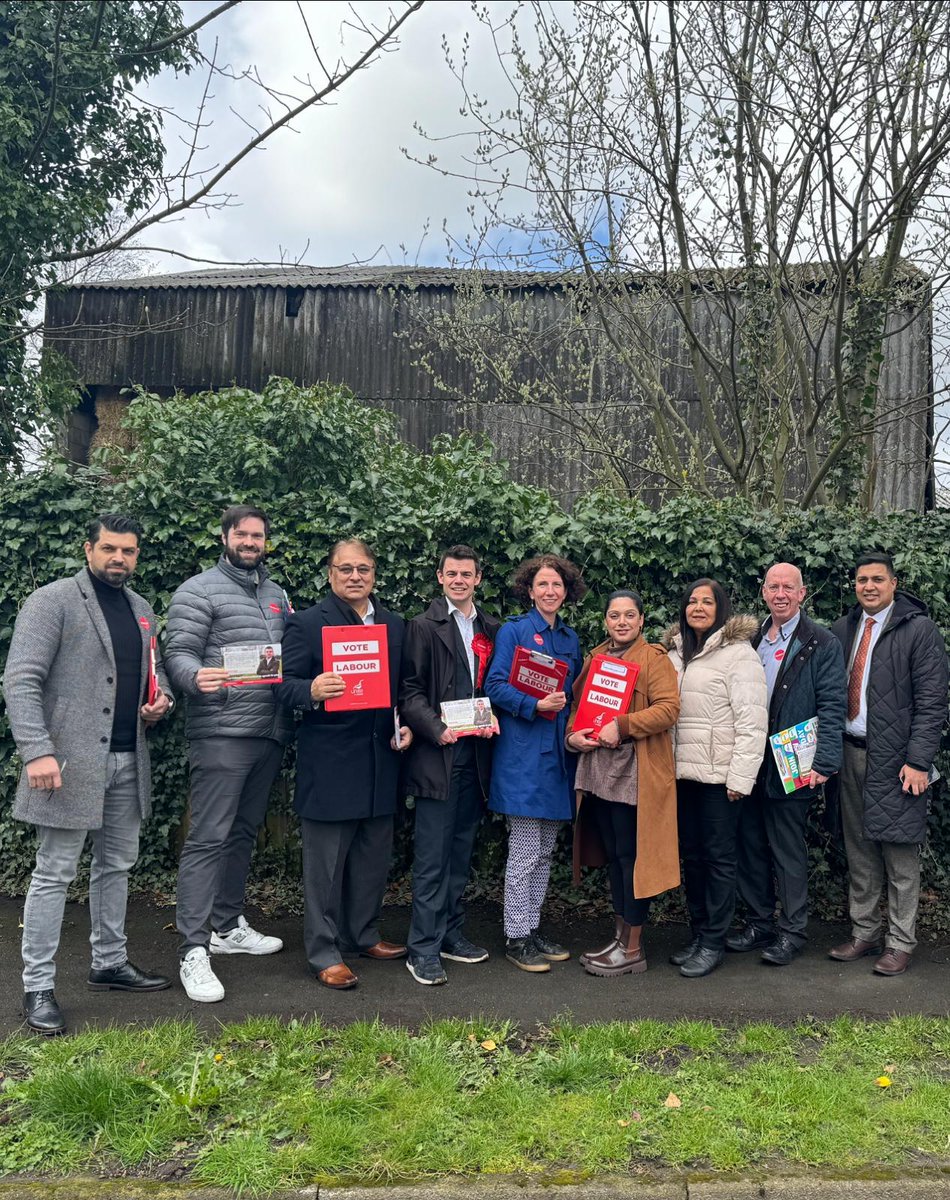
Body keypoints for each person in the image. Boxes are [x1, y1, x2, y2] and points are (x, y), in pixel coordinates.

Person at [2, 514, 174, 1035]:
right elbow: (20, 679)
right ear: (88, 549)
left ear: (137, 556)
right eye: (108, 549)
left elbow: (154, 673)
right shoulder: (52, 601)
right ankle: (37, 987)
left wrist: (159, 700)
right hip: (67, 764)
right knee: (54, 872)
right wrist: (36, 750)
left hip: (128, 760)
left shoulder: (143, 611)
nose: (118, 558)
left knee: (116, 866)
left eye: (128, 551)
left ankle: (109, 963)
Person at [165, 505, 293, 1004]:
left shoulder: (277, 593)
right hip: (219, 730)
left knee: (242, 832)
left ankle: (226, 926)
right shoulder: (197, 590)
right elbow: (176, 653)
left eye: (257, 535)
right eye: (241, 534)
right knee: (208, 838)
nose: (249, 541)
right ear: (225, 536)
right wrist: (193, 677)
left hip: (269, 731)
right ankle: (193, 950)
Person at [277, 539, 412, 989]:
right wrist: (311, 691)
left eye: (364, 569)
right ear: (330, 573)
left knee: (373, 860)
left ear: (375, 574)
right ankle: (323, 951)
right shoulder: (306, 623)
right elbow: (283, 686)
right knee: (326, 869)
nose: (355, 576)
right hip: (331, 765)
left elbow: (402, 690)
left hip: (380, 762)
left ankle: (363, 934)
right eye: (345, 568)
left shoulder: (394, 625)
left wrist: (405, 724)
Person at [828, 551, 948, 976]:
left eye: (878, 579)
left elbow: (933, 702)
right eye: (862, 580)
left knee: (899, 854)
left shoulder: (918, 630)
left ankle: (900, 940)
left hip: (897, 762)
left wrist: (918, 760)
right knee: (859, 850)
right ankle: (864, 932)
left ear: (894, 583)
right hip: (849, 754)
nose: (869, 587)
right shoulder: (844, 628)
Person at [729, 563, 846, 966]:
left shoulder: (821, 642)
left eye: (788, 588)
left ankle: (792, 931)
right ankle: (760, 922)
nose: (780, 594)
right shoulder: (750, 638)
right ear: (763, 592)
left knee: (787, 851)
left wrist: (826, 760)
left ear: (802, 593)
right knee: (749, 846)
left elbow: (833, 705)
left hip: (791, 763)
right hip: (748, 762)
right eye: (773, 586)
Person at [400, 545, 502, 985]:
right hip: (438, 754)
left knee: (460, 853)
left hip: (476, 759)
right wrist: (435, 727)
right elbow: (409, 692)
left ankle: (450, 934)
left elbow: (494, 686)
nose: (459, 580)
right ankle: (421, 948)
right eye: (452, 574)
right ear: (439, 577)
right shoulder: (422, 627)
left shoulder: (492, 628)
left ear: (478, 578)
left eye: (467, 574)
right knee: (431, 859)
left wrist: (494, 713)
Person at [567, 589, 680, 976]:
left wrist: (624, 725)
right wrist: (572, 736)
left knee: (633, 860)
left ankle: (632, 950)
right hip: (600, 773)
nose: (621, 622)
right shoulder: (596, 658)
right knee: (616, 856)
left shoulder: (654, 659)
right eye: (614, 616)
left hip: (636, 774)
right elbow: (578, 708)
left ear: (642, 620)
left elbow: (668, 709)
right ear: (605, 621)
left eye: (629, 615)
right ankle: (619, 939)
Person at [485, 554, 585, 972]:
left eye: (557, 585)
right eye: (542, 584)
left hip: (558, 757)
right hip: (523, 756)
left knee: (545, 851)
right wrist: (533, 703)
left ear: (566, 592)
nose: (550, 591)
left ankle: (531, 924)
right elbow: (493, 686)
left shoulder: (571, 638)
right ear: (530, 589)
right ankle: (515, 935)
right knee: (524, 852)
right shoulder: (514, 631)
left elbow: (577, 694)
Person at [664, 578, 767, 978]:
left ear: (721, 609)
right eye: (692, 601)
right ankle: (698, 933)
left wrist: (741, 777)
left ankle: (713, 942)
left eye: (708, 602)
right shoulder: (673, 654)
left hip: (720, 778)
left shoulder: (739, 655)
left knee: (720, 860)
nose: (698, 607)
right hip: (681, 776)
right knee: (693, 858)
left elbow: (753, 721)